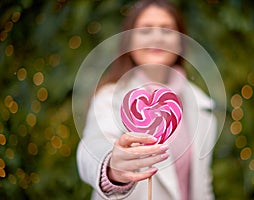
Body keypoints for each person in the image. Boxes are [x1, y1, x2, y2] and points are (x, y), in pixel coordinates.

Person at [76, 0, 217, 199]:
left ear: (180, 41)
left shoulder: (200, 104)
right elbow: (92, 147)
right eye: (145, 30)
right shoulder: (109, 98)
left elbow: (202, 185)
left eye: (167, 29)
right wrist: (112, 167)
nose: (157, 37)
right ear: (129, 41)